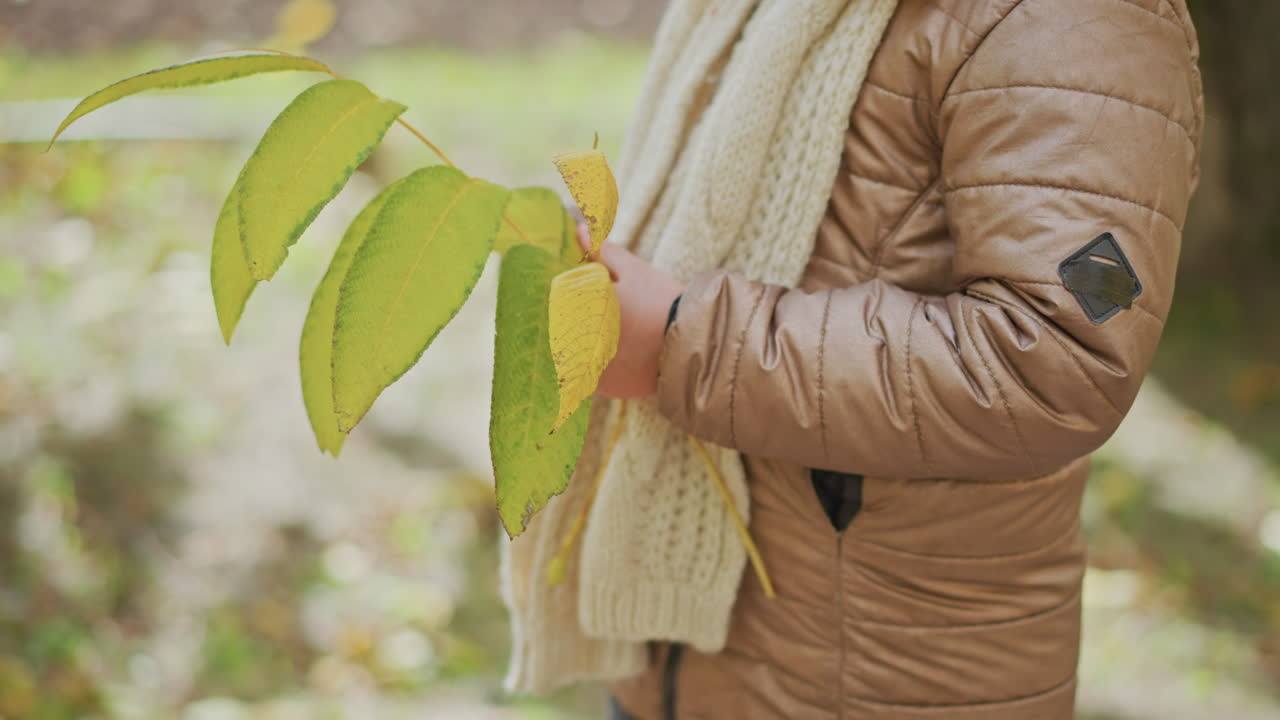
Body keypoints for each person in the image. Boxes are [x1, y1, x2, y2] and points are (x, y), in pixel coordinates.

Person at [507, 1, 1204, 718]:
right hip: (678, 645)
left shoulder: (1072, 24)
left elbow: (1055, 358)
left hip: (874, 671)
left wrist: (683, 341)